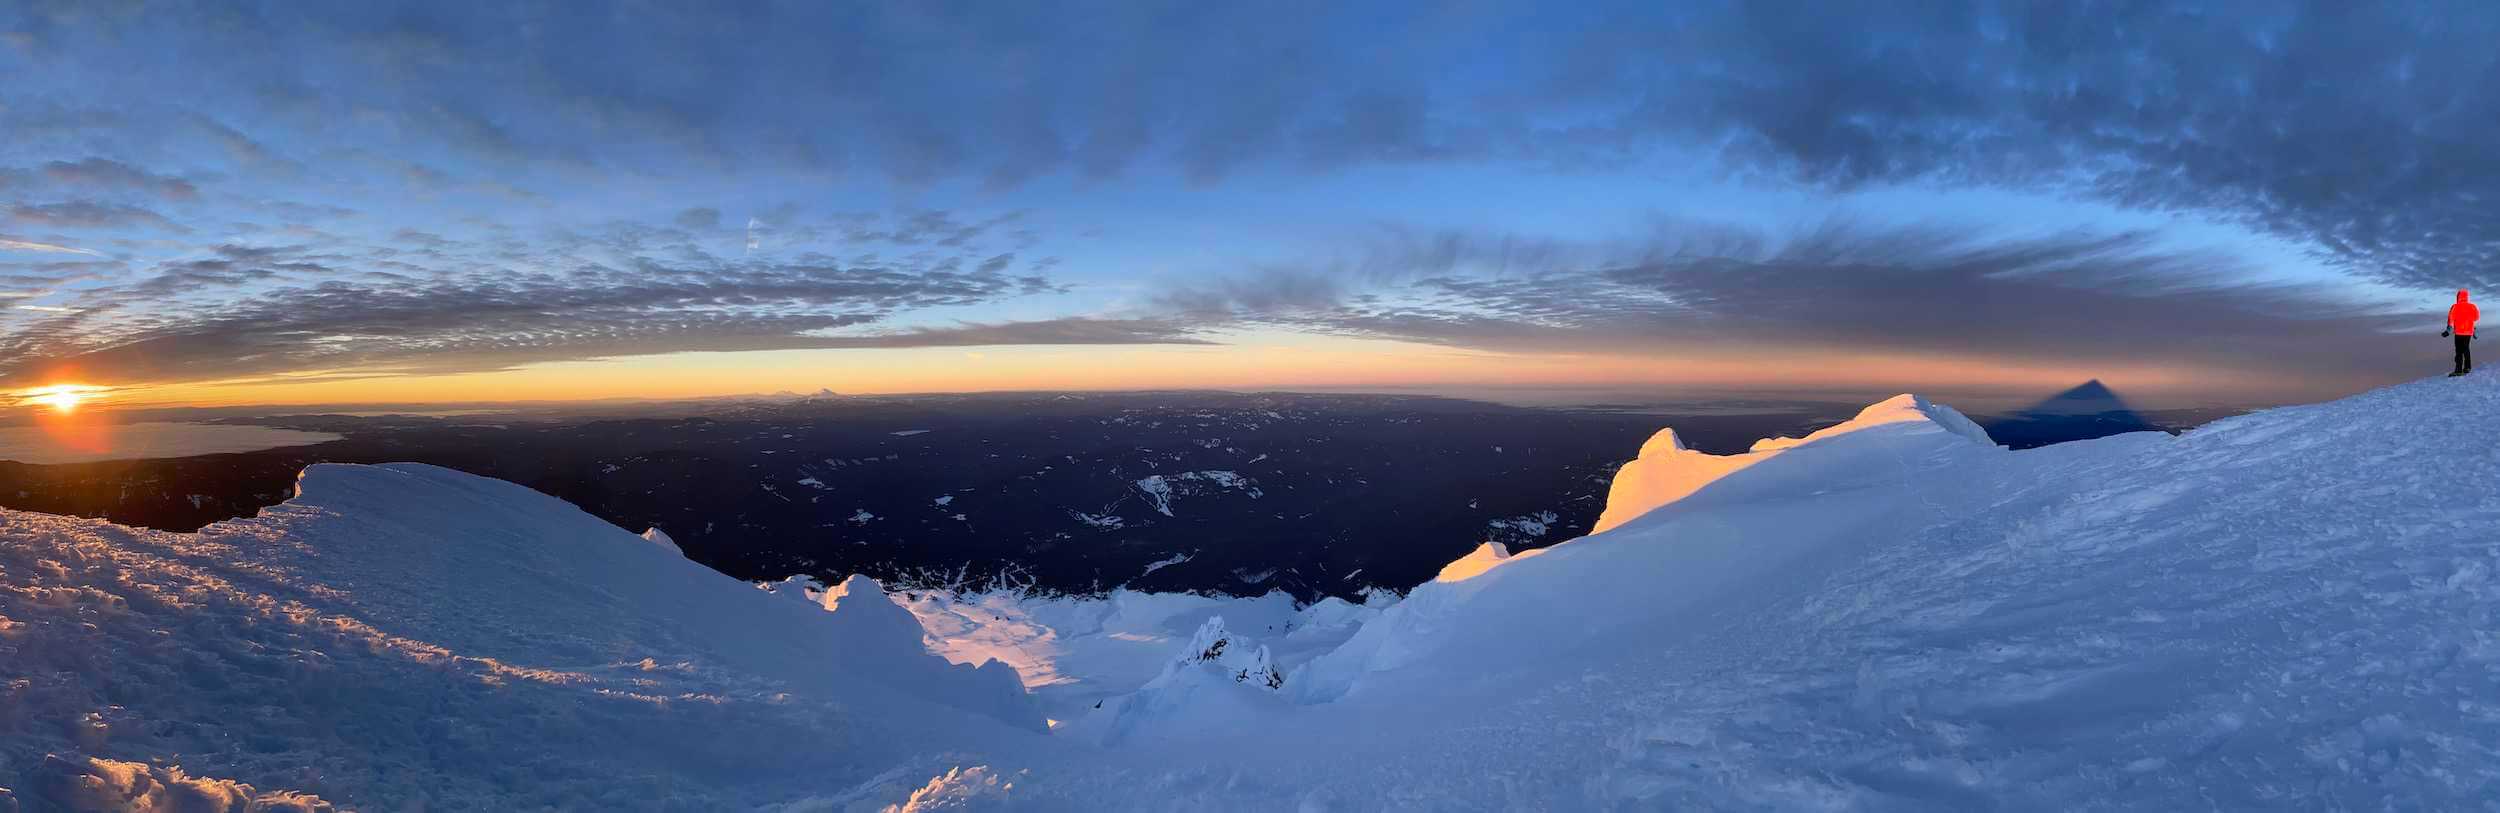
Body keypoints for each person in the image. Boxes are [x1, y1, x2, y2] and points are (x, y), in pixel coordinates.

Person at [2445, 289, 2479, 377]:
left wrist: (2448, 330)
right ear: (2467, 297)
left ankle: (2458, 369)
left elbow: (2450, 318)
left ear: (2458, 297)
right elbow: (2476, 317)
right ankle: (2467, 367)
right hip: (2468, 332)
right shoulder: (2472, 306)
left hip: (2459, 332)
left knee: (2459, 351)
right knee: (2466, 349)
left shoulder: (2455, 306)